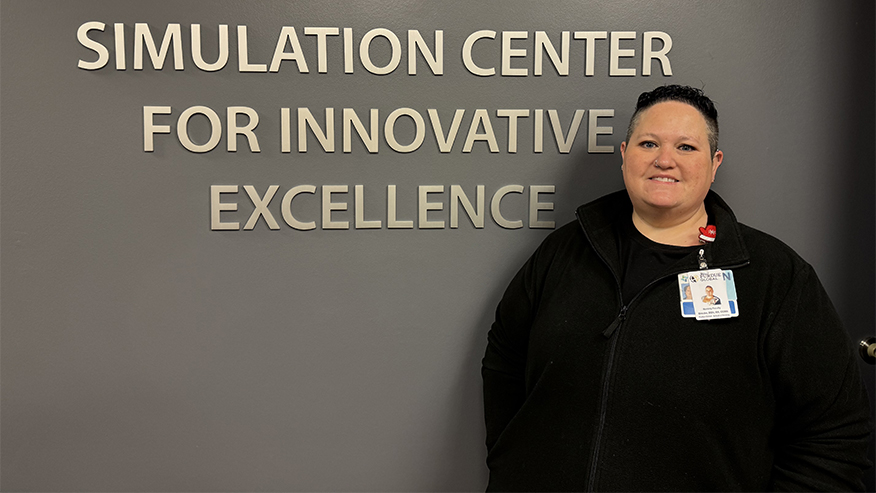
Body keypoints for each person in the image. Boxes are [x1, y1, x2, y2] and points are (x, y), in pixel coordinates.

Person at [481, 85, 872, 491]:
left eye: (686, 147)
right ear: (624, 154)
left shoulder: (776, 277)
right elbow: (505, 355)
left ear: (714, 162)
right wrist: (513, 466)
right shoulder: (566, 251)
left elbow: (834, 432)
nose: (664, 160)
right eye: (648, 143)